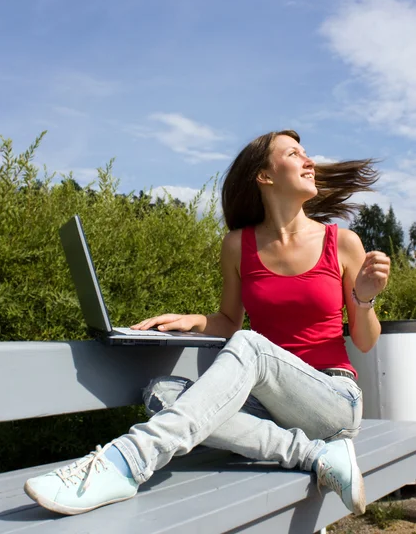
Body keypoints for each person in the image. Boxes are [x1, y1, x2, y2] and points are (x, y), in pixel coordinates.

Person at [24, 130, 390, 517]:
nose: (309, 161)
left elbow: (365, 342)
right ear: (264, 176)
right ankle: (316, 455)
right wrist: (192, 321)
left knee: (250, 345)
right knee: (160, 393)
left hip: (332, 399)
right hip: (268, 407)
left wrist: (364, 299)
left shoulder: (343, 242)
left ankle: (125, 463)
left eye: (305, 153)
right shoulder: (238, 245)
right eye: (294, 153)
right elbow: (230, 321)